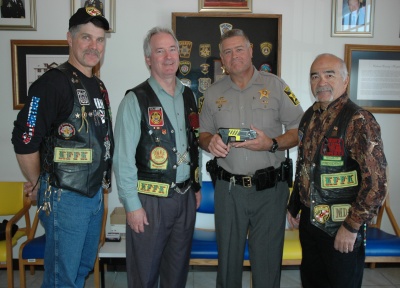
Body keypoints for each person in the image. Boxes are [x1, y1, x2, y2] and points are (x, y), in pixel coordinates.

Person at [11, 7, 113, 287]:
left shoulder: (98, 85)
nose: (94, 46)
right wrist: (37, 182)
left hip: (93, 195)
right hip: (65, 196)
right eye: (86, 37)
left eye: (100, 39)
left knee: (81, 269)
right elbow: (24, 137)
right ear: (69, 38)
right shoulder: (52, 83)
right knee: (62, 278)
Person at [199, 29, 304, 288]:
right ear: (222, 59)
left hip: (270, 191)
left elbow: (300, 130)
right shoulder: (212, 93)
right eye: (227, 51)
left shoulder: (277, 86)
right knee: (228, 266)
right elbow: (202, 134)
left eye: (239, 49)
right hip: (229, 191)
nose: (234, 56)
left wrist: (272, 143)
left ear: (251, 50)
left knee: (267, 267)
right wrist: (209, 142)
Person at [287, 53, 387, 288]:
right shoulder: (309, 116)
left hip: (340, 226)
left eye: (329, 74)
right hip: (311, 224)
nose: (321, 82)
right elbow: (305, 164)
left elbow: (376, 183)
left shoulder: (359, 120)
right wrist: (295, 204)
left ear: (345, 80)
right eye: (315, 76)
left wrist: (351, 227)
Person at [113, 26, 202, 288]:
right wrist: (132, 205)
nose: (168, 56)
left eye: (172, 49)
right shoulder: (135, 99)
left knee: (176, 275)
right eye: (159, 51)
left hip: (185, 199)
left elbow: (192, 141)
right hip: (149, 202)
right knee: (145, 275)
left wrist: (195, 186)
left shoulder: (189, 94)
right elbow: (123, 158)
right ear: (148, 59)